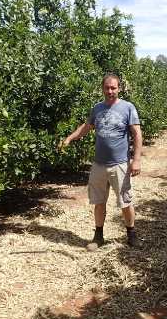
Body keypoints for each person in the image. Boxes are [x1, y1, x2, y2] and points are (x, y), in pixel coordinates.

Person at [59, 73, 143, 249]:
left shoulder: (128, 108)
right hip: (98, 165)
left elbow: (136, 134)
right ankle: (98, 236)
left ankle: (131, 234)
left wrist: (136, 160)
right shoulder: (97, 108)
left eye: (113, 88)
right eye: (107, 88)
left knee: (125, 202)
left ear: (119, 88)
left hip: (120, 164)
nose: (110, 91)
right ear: (102, 89)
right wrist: (70, 138)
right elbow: (86, 127)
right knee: (99, 202)